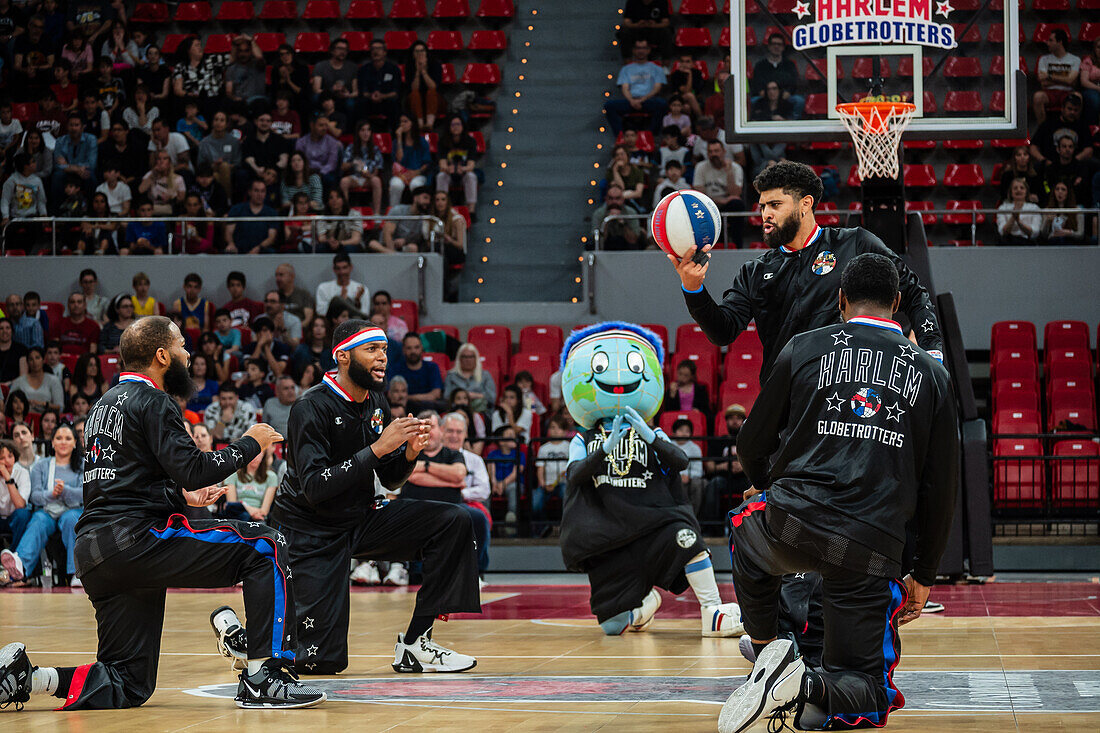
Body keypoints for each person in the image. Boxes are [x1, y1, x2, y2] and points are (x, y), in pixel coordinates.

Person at [671, 160, 946, 640]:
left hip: (850, 406)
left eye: (774, 204)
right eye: (761, 206)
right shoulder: (759, 270)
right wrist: (694, 287)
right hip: (791, 419)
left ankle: (860, 611)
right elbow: (722, 329)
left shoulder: (853, 245)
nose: (765, 214)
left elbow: (912, 289)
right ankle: (783, 639)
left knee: (847, 519)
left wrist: (934, 349)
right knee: (788, 528)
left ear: (806, 203)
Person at [0, 316, 324, 710]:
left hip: (94, 551)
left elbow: (129, 478)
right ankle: (264, 676)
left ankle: (29, 680)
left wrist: (183, 495)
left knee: (129, 681)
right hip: (135, 539)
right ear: (161, 355)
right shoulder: (154, 400)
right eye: (182, 346)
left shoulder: (103, 405)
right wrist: (249, 444)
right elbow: (194, 468)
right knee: (266, 545)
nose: (188, 354)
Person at [716, 253, 959, 732]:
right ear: (896, 303)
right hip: (871, 547)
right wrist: (924, 572)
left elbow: (750, 443)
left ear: (841, 300)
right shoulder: (934, 377)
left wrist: (770, 484)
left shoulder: (803, 347)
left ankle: (769, 651)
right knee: (868, 692)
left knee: (745, 527)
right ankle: (799, 681)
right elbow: (941, 488)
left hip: (792, 521)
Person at [213, 320, 480, 675]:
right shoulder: (310, 408)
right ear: (342, 356)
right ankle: (238, 636)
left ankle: (416, 643)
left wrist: (409, 454)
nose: (382, 357)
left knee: (455, 520)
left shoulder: (376, 402)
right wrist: (378, 447)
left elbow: (388, 476)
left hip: (360, 517)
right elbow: (315, 486)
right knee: (320, 661)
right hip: (310, 530)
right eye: (372, 350)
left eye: (384, 349)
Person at [558, 323, 743, 638]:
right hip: (609, 532)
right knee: (613, 627)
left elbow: (681, 461)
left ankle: (712, 610)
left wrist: (653, 438)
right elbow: (574, 476)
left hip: (655, 522)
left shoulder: (652, 433)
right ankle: (645, 603)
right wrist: (603, 449)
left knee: (687, 538)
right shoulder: (583, 437)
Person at [0, 422, 82, 585]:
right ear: (52, 442)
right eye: (58, 438)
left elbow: (85, 494)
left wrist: (65, 491)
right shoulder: (41, 466)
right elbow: (35, 497)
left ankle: (76, 573)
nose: (63, 442)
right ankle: (20, 566)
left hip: (73, 510)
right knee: (38, 521)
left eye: (67, 438)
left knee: (71, 519)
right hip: (47, 511)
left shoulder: (82, 464)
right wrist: (52, 494)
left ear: (74, 443)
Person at [440, 411, 492, 581]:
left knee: (479, 518)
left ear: (465, 434)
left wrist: (459, 493)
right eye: (450, 431)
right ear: (441, 431)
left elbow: (484, 490)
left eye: (459, 432)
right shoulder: (433, 455)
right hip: (438, 504)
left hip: (466, 504)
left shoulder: (474, 460)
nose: (454, 436)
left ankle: (476, 570)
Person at [604, 39, 666, 135]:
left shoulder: (657, 69)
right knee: (609, 106)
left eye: (643, 48)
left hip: (648, 100)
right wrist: (632, 101)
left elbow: (657, 88)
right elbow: (625, 88)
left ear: (648, 50)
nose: (641, 51)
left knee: (662, 104)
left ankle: (652, 135)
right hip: (631, 101)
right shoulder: (626, 69)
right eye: (638, 48)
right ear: (633, 50)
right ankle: (621, 137)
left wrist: (642, 99)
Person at [702, 403, 749, 526]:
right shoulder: (718, 442)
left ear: (743, 421)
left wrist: (743, 467)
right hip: (723, 479)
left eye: (738, 418)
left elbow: (759, 464)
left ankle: (749, 526)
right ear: (726, 421)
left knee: (754, 486)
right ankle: (712, 527)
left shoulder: (749, 442)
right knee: (714, 484)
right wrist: (725, 466)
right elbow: (709, 467)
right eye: (731, 418)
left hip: (744, 479)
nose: (734, 421)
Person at [693, 139, 746, 246]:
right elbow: (698, 195)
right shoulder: (700, 167)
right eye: (710, 152)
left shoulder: (735, 168)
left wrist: (729, 173)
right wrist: (721, 200)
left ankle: (738, 244)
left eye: (716, 151)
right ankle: (715, 244)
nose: (714, 154)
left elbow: (735, 194)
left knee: (737, 204)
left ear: (724, 152)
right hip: (707, 206)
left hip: (727, 204)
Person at [1032, 28, 1081, 128]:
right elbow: (1043, 83)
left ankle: (1074, 129)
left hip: (1067, 93)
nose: (1047, 43)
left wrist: (1050, 77)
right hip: (1049, 93)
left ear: (1059, 42)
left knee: (1078, 96)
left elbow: (1071, 81)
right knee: (1038, 97)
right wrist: (1065, 80)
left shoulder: (1075, 59)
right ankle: (1043, 131)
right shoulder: (1043, 59)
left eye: (1051, 40)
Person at [751, 34, 804, 120]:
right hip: (766, 95)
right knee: (752, 101)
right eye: (773, 44)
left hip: (784, 96)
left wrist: (788, 92)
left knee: (799, 101)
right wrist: (763, 92)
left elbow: (794, 82)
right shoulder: (760, 65)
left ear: (783, 47)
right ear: (769, 46)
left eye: (779, 44)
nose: (776, 46)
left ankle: (793, 124)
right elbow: (756, 83)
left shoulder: (790, 65)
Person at [436, 116, 481, 217]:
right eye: (453, 125)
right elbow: (442, 163)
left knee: (471, 176)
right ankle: (442, 209)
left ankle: (471, 210)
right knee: (441, 176)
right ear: (449, 127)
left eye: (458, 124)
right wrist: (447, 169)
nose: (455, 127)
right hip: (449, 173)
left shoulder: (470, 141)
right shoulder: (443, 141)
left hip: (463, 172)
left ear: (463, 126)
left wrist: (463, 169)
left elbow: (471, 165)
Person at [534, 415, 571, 536]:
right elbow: (540, 468)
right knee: (536, 502)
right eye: (553, 427)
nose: (555, 430)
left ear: (565, 431)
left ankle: (566, 527)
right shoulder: (544, 448)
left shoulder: (569, 446)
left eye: (559, 428)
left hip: (564, 483)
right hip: (547, 483)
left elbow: (572, 466)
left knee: (567, 497)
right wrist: (543, 483)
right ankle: (543, 527)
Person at [223, 446, 279, 523]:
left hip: (258, 518)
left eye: (258, 453)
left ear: (263, 454)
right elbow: (232, 504)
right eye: (251, 453)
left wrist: (243, 505)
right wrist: (248, 508)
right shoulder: (233, 474)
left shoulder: (271, 476)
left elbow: (264, 511)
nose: (254, 457)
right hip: (237, 516)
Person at [358, 39, 402, 129]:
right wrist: (371, 95)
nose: (375, 51)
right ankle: (361, 135)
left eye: (379, 49)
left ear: (385, 52)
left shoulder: (393, 69)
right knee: (359, 104)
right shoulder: (364, 69)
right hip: (370, 101)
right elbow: (363, 91)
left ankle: (394, 137)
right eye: (373, 49)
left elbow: (396, 91)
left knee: (395, 105)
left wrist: (383, 96)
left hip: (387, 100)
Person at [225, 181, 279, 255]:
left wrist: (258, 248)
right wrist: (231, 244)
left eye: (262, 191)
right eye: (256, 191)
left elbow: (271, 237)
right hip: (239, 250)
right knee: (228, 251)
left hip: (261, 250)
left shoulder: (272, 213)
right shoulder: (237, 209)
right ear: (249, 192)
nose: (259, 194)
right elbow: (229, 232)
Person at [486, 424, 524, 528]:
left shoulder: (520, 454)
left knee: (513, 489)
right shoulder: (493, 454)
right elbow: (491, 472)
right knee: (485, 489)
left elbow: (516, 473)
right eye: (510, 435)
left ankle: (511, 519)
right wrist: (494, 484)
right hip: (496, 484)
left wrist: (503, 484)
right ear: (501, 441)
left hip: (512, 483)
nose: (514, 438)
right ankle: (486, 518)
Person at [390, 114, 433, 205]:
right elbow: (399, 160)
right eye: (401, 122)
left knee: (416, 185)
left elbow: (427, 163)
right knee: (395, 185)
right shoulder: (396, 142)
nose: (402, 124)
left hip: (418, 173)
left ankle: (418, 212)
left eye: (405, 121)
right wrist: (399, 138)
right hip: (401, 174)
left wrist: (415, 172)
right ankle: (393, 213)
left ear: (412, 124)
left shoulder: (422, 141)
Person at [395, 333, 444, 411]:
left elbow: (436, 395)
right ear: (403, 349)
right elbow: (393, 397)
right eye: (409, 348)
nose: (413, 351)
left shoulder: (432, 367)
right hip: (402, 411)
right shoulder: (395, 369)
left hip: (429, 409)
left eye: (416, 347)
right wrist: (424, 397)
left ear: (422, 348)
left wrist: (408, 398)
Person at [196, 111, 242, 196]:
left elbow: (237, 163)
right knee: (216, 173)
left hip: (230, 171)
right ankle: (227, 200)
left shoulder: (233, 141)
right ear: (212, 122)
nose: (218, 123)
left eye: (222, 120)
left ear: (226, 124)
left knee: (222, 168)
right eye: (216, 119)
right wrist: (214, 165)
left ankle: (224, 199)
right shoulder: (204, 142)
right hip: (210, 171)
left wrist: (225, 166)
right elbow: (200, 164)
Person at [0, 438, 33, 554]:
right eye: (2, 458)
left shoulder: (22, 472)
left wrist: (8, 479)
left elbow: (20, 505)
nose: (7, 461)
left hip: (14, 518)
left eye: (10, 456)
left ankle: (14, 556)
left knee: (23, 515)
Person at [444, 343, 496, 414]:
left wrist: (474, 395)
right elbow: (446, 396)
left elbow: (492, 397)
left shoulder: (485, 375)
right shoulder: (451, 376)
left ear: (476, 358)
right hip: (457, 411)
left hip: (480, 412)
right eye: (464, 357)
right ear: (459, 358)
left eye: (471, 357)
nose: (468, 360)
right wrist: (461, 398)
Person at [295, 115, 342, 190]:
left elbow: (331, 164)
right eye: (321, 125)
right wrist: (310, 171)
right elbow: (299, 161)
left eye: (326, 125)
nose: (324, 128)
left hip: (324, 173)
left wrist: (321, 173)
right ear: (312, 125)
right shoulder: (301, 142)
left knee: (329, 179)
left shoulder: (332, 142)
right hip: (306, 172)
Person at [315, 253, 367, 320]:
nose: (342, 272)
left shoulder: (361, 289)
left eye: (344, 268)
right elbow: (321, 313)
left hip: (355, 325)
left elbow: (364, 315)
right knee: (337, 300)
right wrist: (341, 302)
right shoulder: (323, 288)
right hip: (331, 325)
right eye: (338, 268)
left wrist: (357, 301)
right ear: (334, 269)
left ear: (351, 267)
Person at [670, 418, 704, 516]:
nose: (684, 433)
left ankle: (692, 517)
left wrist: (687, 476)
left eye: (687, 431)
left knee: (699, 484)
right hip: (671, 478)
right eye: (681, 430)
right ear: (674, 432)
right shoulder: (668, 444)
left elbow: (699, 471)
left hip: (689, 480)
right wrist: (679, 476)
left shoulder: (695, 448)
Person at [593, 183, 643, 251]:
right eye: (611, 198)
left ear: (623, 199)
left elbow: (633, 240)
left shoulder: (630, 213)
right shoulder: (599, 213)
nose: (614, 202)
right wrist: (606, 222)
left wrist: (622, 223)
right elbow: (598, 242)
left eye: (617, 198)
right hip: (605, 249)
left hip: (627, 248)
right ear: (606, 199)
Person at [406, 40, 443, 132]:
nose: (420, 54)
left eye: (422, 51)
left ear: (426, 52)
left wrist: (424, 72)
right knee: (414, 94)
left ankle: (429, 124)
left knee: (431, 92)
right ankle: (420, 125)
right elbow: (413, 88)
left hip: (434, 100)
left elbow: (433, 86)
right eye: (417, 51)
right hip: (417, 100)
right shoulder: (410, 66)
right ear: (413, 54)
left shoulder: (435, 64)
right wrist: (418, 72)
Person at [997, 177, 1042, 245]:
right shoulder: (1003, 208)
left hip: (1027, 242)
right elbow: (1003, 232)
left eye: (1022, 188)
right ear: (1011, 192)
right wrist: (1013, 218)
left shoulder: (1034, 208)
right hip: (1008, 242)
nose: (1018, 190)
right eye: (1015, 188)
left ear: (1026, 192)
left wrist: (1018, 221)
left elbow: (1035, 232)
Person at [1041, 180, 1086, 244]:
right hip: (1053, 242)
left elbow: (1080, 234)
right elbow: (1043, 235)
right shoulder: (1047, 210)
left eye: (1063, 189)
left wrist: (1068, 233)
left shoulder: (1077, 210)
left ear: (1068, 193)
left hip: (1070, 242)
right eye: (1057, 189)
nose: (1060, 192)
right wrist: (1047, 222)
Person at [0, 319, 29, 386]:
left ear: (12, 331)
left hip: (14, 387)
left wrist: (7, 385)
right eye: (1, 328)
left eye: (7, 328)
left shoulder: (21, 349)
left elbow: (23, 376)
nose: (4, 331)